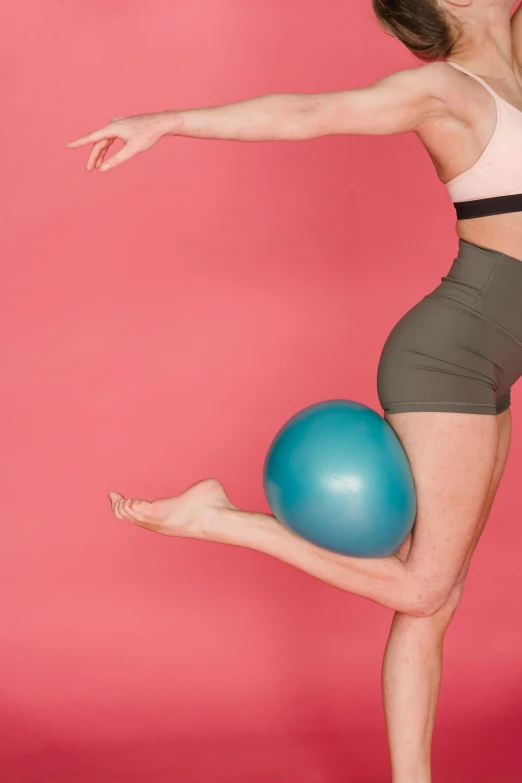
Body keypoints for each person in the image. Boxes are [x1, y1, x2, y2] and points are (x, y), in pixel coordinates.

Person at [66, 2, 522, 780]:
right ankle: (221, 518)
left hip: (493, 353)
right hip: (452, 351)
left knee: (433, 601)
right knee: (423, 587)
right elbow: (305, 114)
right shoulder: (445, 92)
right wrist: (167, 119)